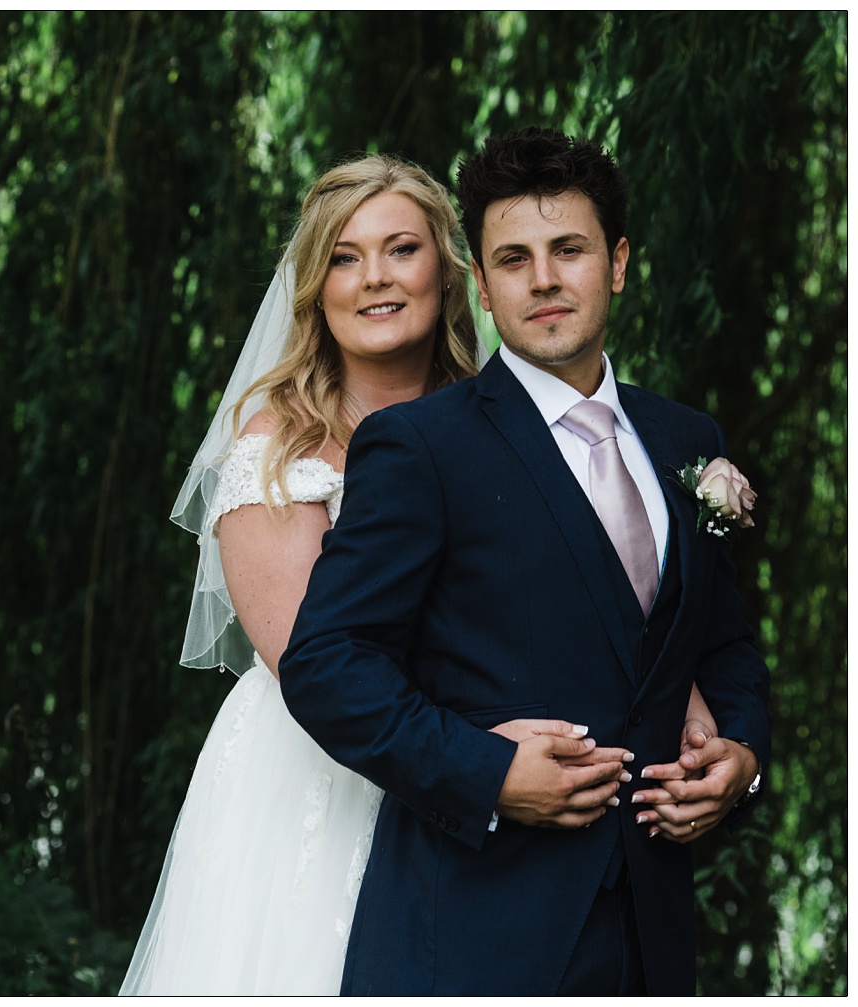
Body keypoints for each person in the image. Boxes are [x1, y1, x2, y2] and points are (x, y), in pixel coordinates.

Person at [119, 153, 720, 995]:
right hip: (322, 785)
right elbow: (321, 664)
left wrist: (667, 681)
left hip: (513, 815)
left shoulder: (510, 416)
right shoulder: (275, 448)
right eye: (343, 256)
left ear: (453, 272)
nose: (375, 279)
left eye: (401, 249)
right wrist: (482, 757)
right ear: (313, 285)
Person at [280, 128, 770, 995]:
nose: (544, 279)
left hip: (652, 938)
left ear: (617, 263)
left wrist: (740, 753)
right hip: (474, 932)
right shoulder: (421, 447)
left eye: (569, 249)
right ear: (482, 284)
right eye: (514, 258)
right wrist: (487, 770)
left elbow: (721, 646)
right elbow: (326, 663)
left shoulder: (687, 441)